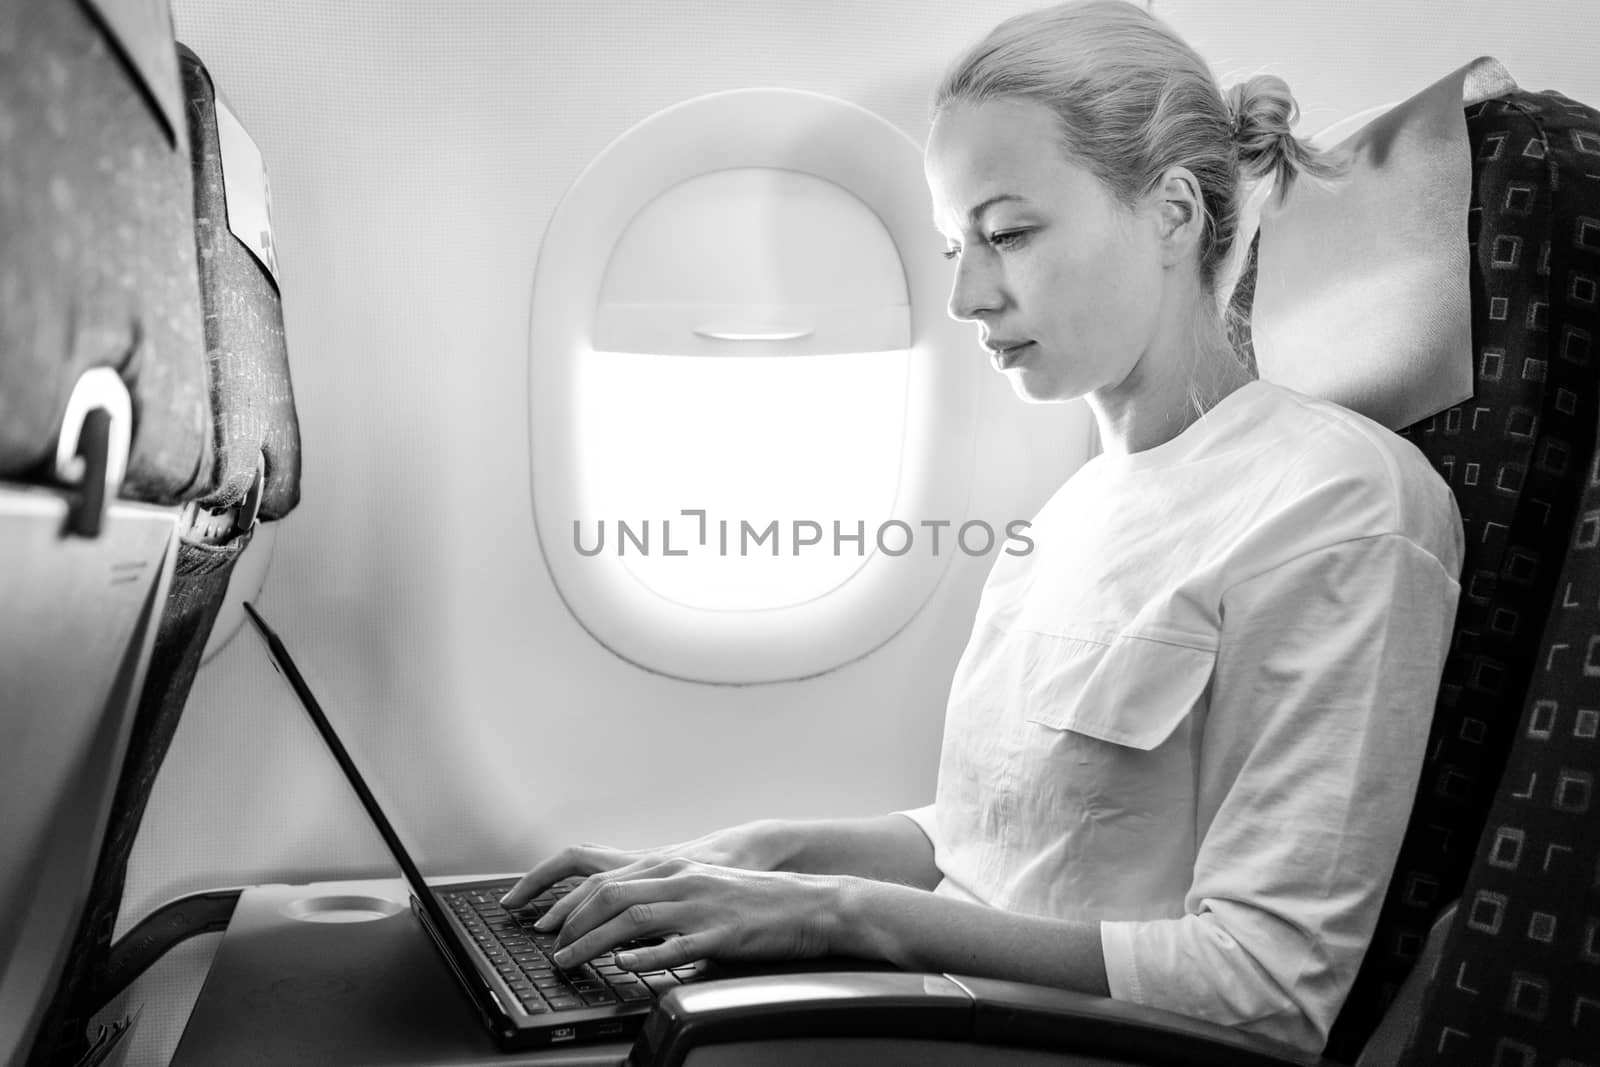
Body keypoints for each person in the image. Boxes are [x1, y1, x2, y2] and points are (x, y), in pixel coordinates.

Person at [501, 0, 1464, 1054]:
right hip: (949, 1017)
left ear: (1172, 213)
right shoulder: (1078, 507)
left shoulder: (1341, 503)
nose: (962, 294)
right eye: (956, 243)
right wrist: (762, 856)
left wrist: (838, 915)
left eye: (1006, 233)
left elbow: (1261, 987)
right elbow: (999, 846)